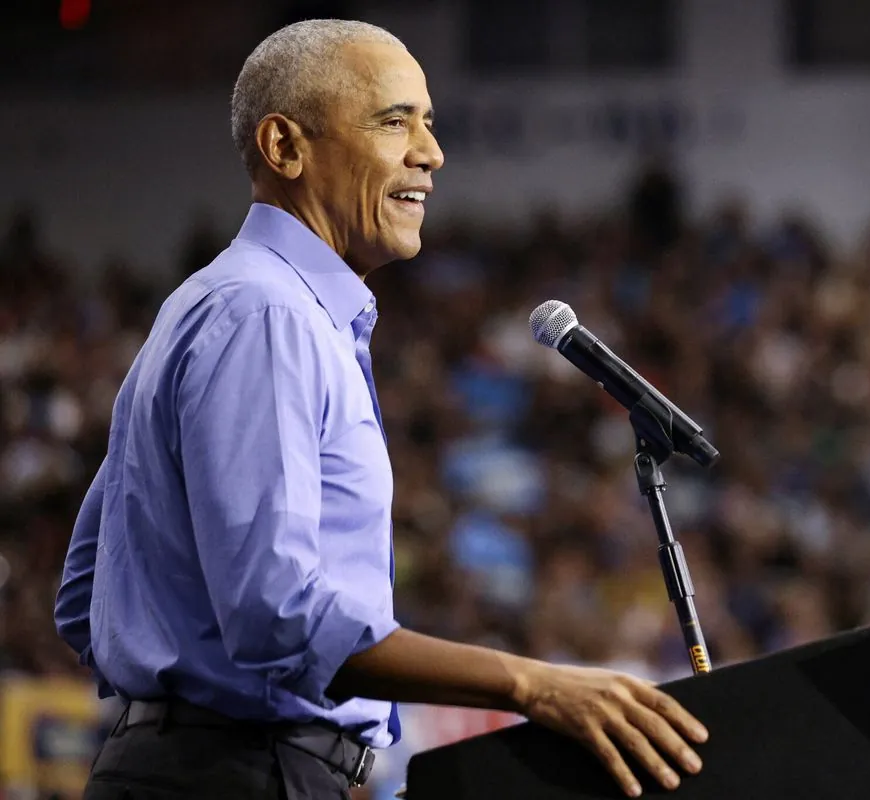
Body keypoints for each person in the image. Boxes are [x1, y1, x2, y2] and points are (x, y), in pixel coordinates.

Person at [54, 19, 706, 800]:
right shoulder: (268, 317)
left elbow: (84, 593)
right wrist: (533, 685)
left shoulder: (232, 306)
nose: (429, 152)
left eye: (428, 122)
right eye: (394, 120)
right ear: (285, 147)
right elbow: (275, 615)